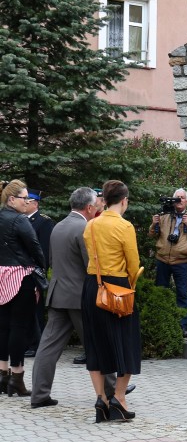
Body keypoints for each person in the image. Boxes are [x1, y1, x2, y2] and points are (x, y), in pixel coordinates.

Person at [31, 188, 134, 408]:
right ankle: (112, 391)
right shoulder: (85, 228)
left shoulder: (58, 225)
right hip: (80, 296)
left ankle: (39, 394)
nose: (98, 206)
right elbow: (94, 264)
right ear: (88, 207)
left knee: (48, 346)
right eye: (95, 203)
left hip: (58, 293)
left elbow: (51, 259)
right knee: (97, 343)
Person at [82, 180, 141, 422]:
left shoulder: (91, 225)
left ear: (104, 200)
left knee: (95, 344)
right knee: (127, 343)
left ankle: (101, 400)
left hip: (92, 288)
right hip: (118, 289)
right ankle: (119, 398)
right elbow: (134, 264)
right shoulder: (124, 226)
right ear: (124, 200)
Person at [0, 180, 46, 397]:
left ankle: (2, 375)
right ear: (11, 199)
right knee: (19, 327)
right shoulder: (19, 220)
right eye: (24, 197)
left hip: (0, 276)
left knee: (2, 326)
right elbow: (35, 246)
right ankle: (16, 378)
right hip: (21, 277)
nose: (27, 201)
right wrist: (42, 267)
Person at [149, 188, 187, 337]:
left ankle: (183, 326)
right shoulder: (164, 216)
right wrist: (154, 224)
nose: (179, 200)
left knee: (182, 294)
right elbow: (152, 234)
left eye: (182, 198)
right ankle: (161, 323)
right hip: (162, 260)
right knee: (161, 292)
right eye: (176, 198)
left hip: (181, 262)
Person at [73, 187, 106, 365]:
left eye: (101, 199)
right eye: (97, 199)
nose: (99, 202)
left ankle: (96, 353)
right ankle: (90, 352)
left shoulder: (104, 219)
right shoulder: (88, 220)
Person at [24, 189, 55, 358]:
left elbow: (43, 250)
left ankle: (36, 344)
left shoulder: (44, 222)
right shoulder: (20, 220)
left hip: (34, 272)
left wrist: (40, 271)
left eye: (27, 201)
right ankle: (27, 342)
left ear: (34, 203)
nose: (24, 204)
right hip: (20, 271)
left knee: (35, 310)